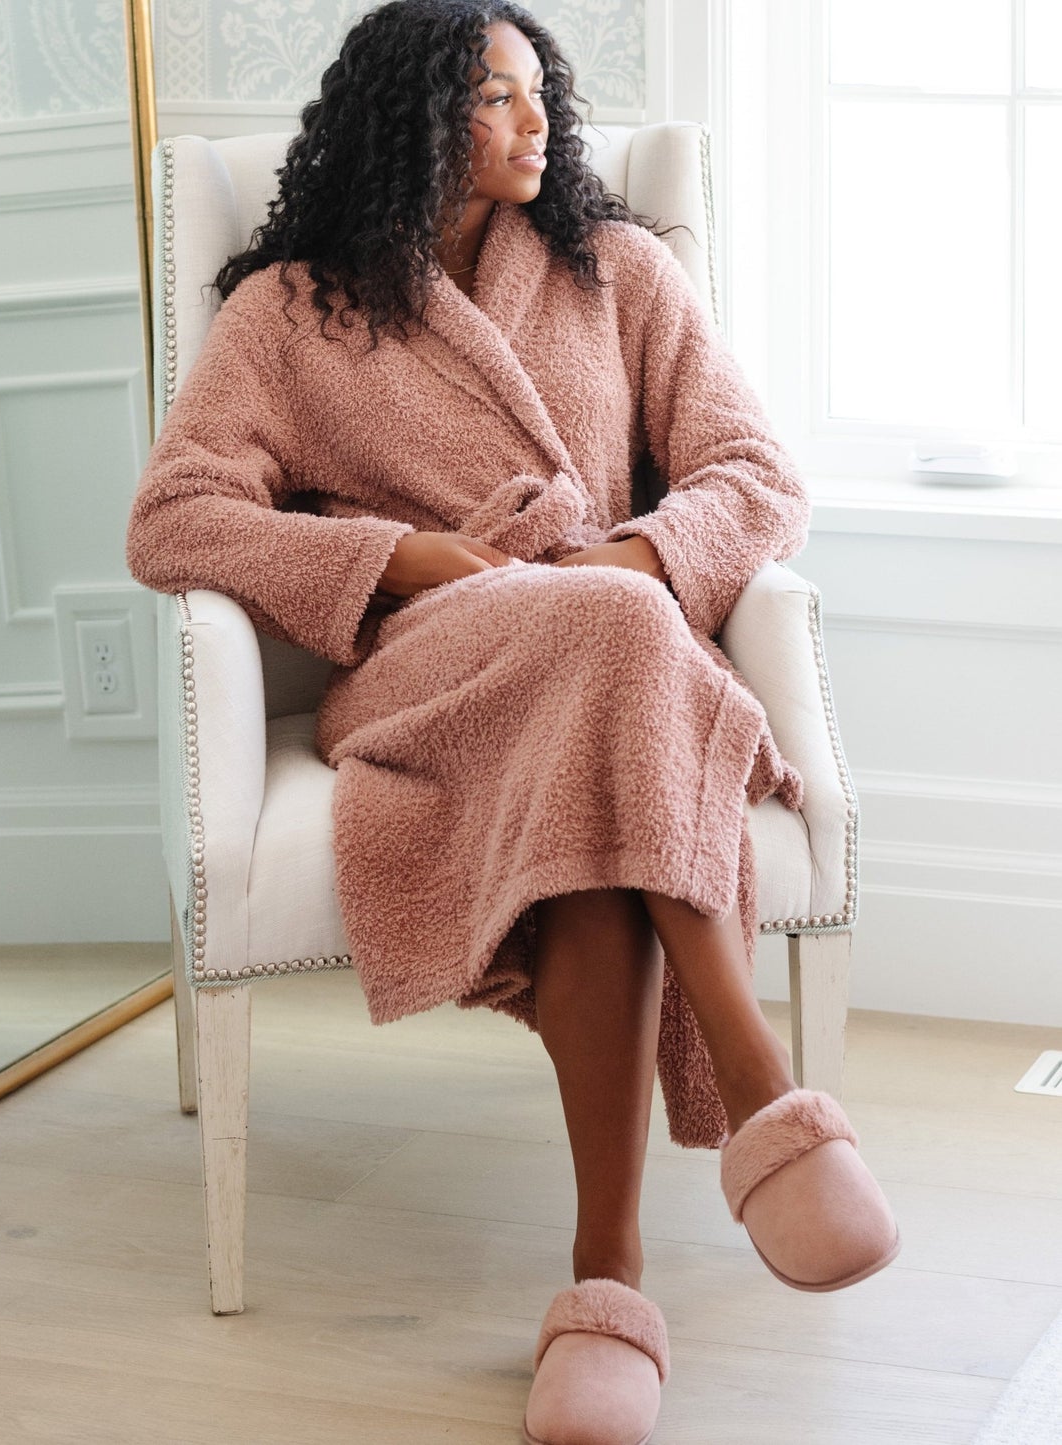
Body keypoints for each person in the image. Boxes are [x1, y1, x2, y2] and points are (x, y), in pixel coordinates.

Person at [126, 3, 901, 1441]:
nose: (540, 121)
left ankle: (607, 1279)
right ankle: (755, 1079)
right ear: (414, 114)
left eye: (543, 90)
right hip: (426, 664)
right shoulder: (290, 311)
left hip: (606, 649)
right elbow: (174, 517)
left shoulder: (618, 272)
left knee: (604, 734)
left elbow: (752, 471)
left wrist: (632, 562)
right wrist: (397, 557)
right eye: (496, 97)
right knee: (618, 650)